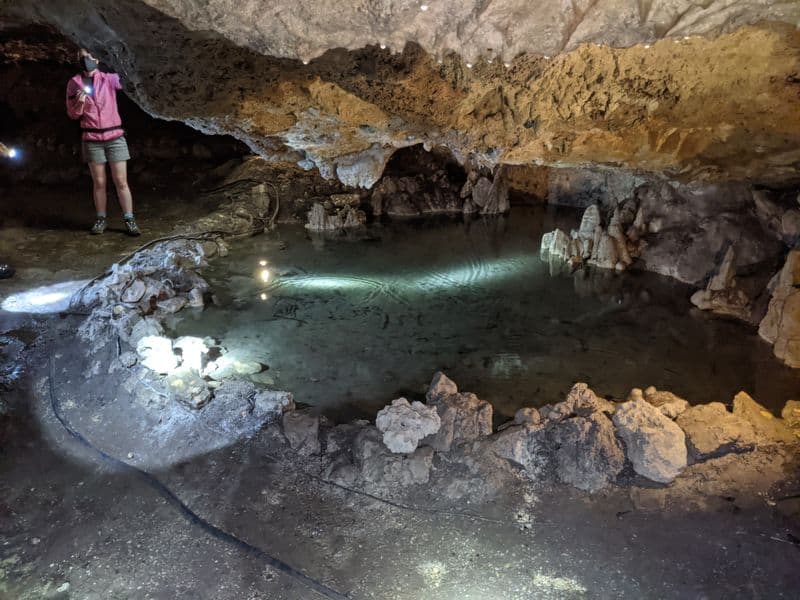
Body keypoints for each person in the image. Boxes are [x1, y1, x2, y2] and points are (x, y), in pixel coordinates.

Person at [66, 49, 140, 236]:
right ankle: (101, 219)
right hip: (92, 139)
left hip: (114, 136)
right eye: (81, 57)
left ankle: (129, 219)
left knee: (121, 181)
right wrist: (80, 103)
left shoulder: (109, 79)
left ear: (97, 59)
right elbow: (72, 114)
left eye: (89, 56)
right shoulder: (74, 83)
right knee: (99, 182)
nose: (85, 60)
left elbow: (130, 80)